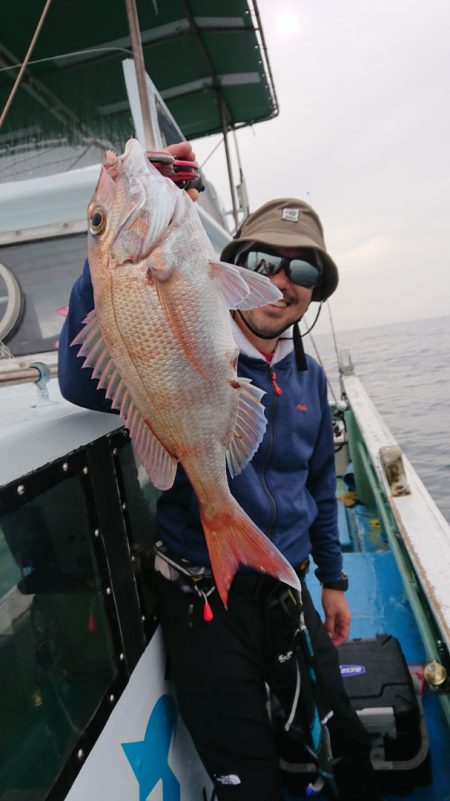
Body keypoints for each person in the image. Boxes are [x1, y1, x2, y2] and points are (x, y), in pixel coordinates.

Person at [58, 142, 382, 801]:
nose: (283, 282)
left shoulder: (311, 378)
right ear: (235, 267)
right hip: (202, 595)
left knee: (345, 737)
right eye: (266, 262)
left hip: (285, 582)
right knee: (247, 780)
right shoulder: (181, 302)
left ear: (312, 293)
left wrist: (336, 582)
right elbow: (81, 380)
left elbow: (321, 485)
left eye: (303, 272)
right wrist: (104, 254)